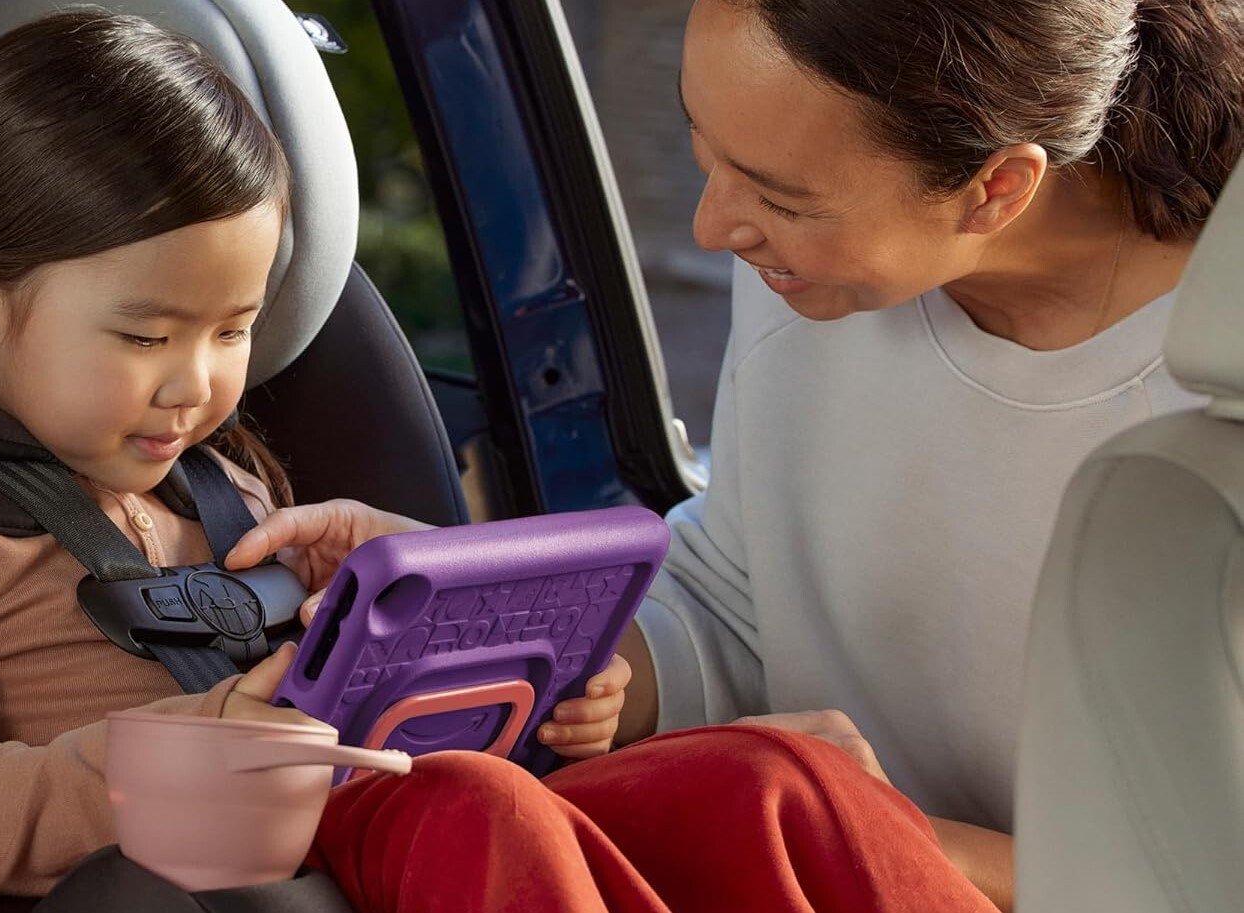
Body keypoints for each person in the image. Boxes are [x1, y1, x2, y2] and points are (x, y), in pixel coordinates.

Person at [231, 1, 1244, 910]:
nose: (716, 227)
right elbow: (731, 600)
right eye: (704, 151)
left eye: (780, 196)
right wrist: (487, 617)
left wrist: (873, 827)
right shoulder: (822, 279)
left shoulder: (1207, 415)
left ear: (997, 188)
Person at [0, 11, 627, 902]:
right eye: (144, 335)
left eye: (233, 329)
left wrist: (478, 661)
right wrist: (177, 757)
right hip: (164, 893)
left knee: (734, 781)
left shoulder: (231, 492)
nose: (193, 385)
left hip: (345, 851)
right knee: (480, 809)